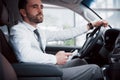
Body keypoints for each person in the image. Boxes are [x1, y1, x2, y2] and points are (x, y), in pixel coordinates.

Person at [9, 0, 108, 80]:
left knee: (80, 62)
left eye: (41, 7)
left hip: (44, 68)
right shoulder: (18, 30)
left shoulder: (38, 31)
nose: (40, 10)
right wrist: (55, 59)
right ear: (23, 12)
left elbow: (63, 34)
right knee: (94, 69)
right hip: (37, 73)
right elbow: (25, 56)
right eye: (35, 7)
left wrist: (91, 25)